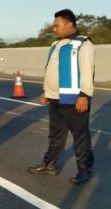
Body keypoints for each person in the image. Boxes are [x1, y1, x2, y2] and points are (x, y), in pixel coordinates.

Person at [28, 9, 95, 184]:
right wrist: (46, 92)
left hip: (75, 99)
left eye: (57, 25)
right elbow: (50, 70)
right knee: (55, 135)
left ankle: (84, 170)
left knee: (80, 136)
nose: (54, 29)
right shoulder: (55, 45)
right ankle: (49, 165)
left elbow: (88, 72)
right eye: (53, 25)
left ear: (69, 24)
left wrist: (84, 95)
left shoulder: (83, 44)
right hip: (55, 98)